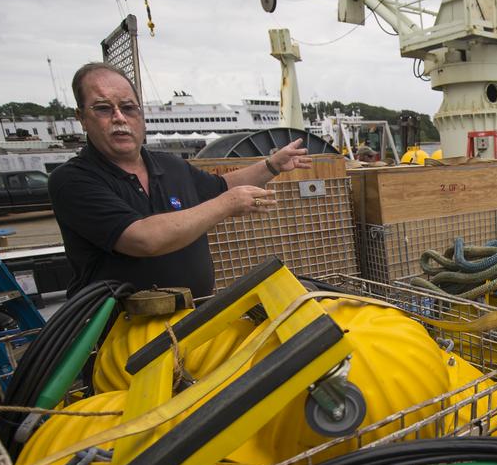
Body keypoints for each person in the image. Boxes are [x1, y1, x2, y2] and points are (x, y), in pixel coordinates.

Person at [49, 62, 312, 298]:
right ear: (82, 118)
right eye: (104, 109)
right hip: (121, 329)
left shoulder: (169, 165)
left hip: (189, 317)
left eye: (128, 108)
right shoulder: (73, 181)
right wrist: (226, 204)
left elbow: (221, 187)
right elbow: (143, 239)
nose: (119, 118)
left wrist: (271, 165)